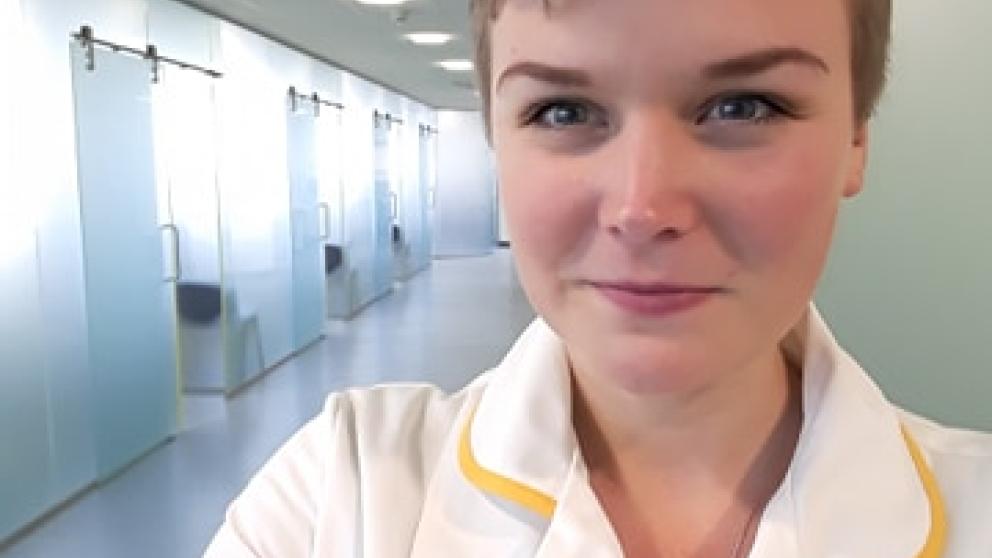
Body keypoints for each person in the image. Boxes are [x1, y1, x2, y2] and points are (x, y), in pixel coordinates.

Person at [205, 0, 992, 556]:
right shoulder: (342, 500)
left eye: (744, 106)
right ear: (496, 138)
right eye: (564, 111)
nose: (642, 209)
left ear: (856, 140)